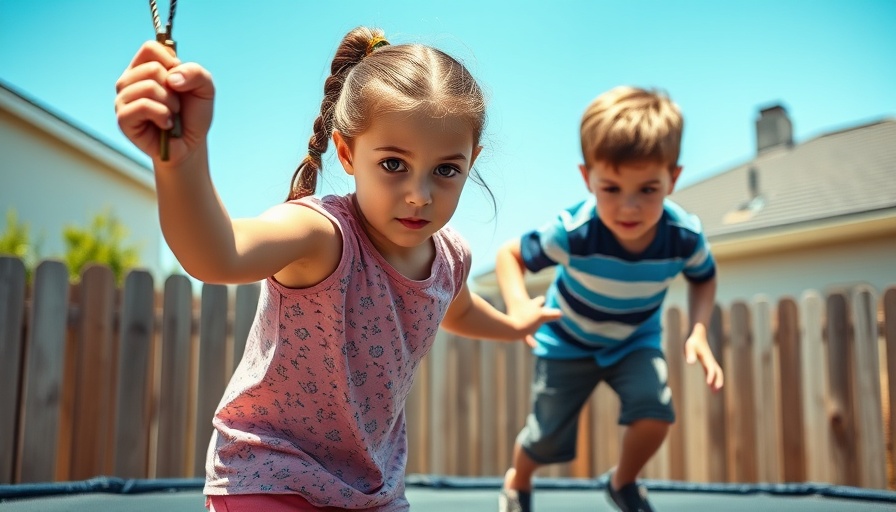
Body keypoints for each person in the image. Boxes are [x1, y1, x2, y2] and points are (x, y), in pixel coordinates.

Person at [115, 26, 561, 511]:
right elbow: (218, 254)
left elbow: (463, 312)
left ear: (471, 162)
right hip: (269, 472)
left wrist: (516, 323)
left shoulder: (450, 258)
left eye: (446, 170)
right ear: (347, 153)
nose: (419, 195)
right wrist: (181, 163)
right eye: (394, 164)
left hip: (369, 488)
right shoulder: (322, 234)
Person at [495, 86, 724, 512]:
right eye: (612, 189)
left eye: (648, 190)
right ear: (588, 179)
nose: (629, 207)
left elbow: (704, 278)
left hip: (634, 341)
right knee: (545, 436)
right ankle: (518, 481)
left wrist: (698, 331)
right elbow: (510, 256)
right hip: (566, 341)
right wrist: (519, 304)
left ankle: (623, 482)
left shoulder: (683, 237)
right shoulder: (574, 232)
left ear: (673, 178)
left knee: (656, 412)